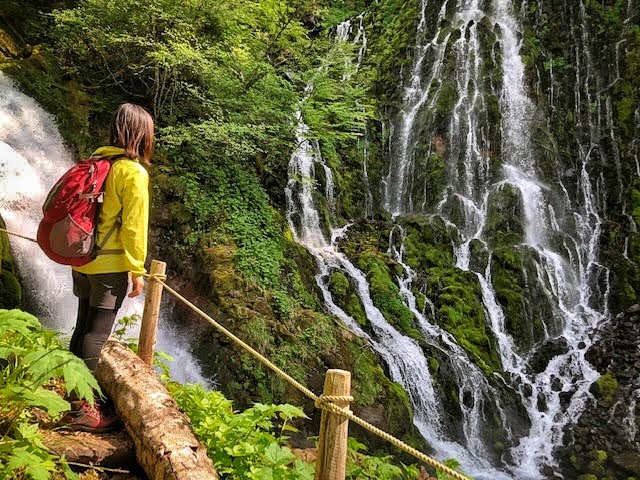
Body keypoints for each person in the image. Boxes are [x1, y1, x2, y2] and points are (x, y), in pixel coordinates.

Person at [60, 103, 154, 432]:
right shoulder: (133, 172)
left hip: (83, 260)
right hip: (109, 268)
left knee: (82, 328)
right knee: (97, 336)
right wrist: (136, 270)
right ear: (142, 135)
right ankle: (86, 409)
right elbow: (133, 227)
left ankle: (75, 401)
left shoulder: (98, 162)